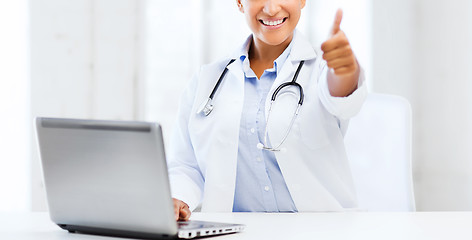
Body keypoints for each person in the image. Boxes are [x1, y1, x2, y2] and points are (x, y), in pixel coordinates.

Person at [168, 0, 367, 221]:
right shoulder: (207, 79)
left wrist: (345, 69)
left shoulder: (321, 70)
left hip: (319, 230)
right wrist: (178, 198)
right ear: (240, 3)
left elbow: (343, 97)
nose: (271, 9)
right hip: (237, 232)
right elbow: (187, 164)